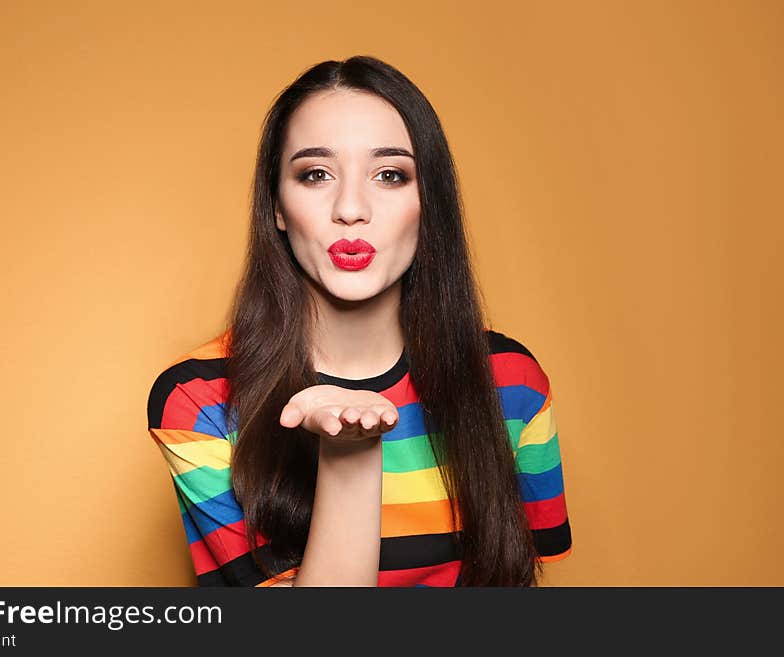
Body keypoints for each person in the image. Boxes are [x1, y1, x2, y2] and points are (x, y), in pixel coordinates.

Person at [146, 55, 572, 587]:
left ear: (429, 203)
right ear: (277, 206)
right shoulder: (199, 399)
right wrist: (349, 455)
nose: (350, 208)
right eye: (316, 174)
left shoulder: (511, 382)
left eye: (390, 175)